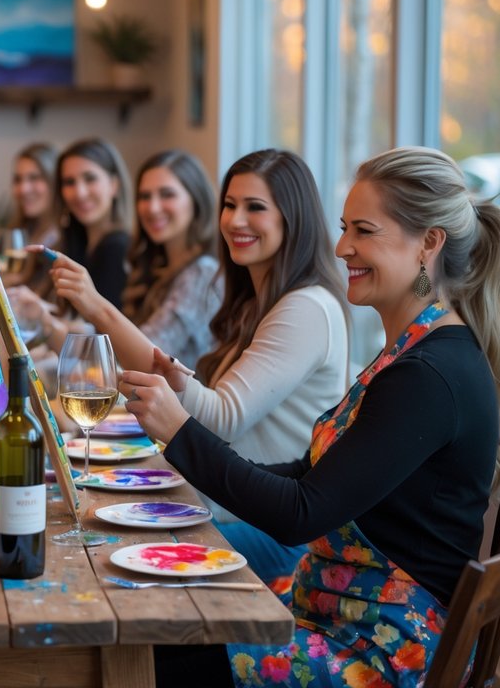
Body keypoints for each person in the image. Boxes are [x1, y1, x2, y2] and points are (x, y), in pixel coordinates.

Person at [126, 146, 500, 687]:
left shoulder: (428, 375)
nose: (341, 248)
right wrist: (183, 465)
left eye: (364, 231)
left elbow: (302, 513)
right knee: (156, 625)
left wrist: (180, 433)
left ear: (429, 243)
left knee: (148, 655)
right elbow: (309, 475)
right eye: (344, 228)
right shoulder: (411, 353)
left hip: (381, 650)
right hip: (335, 610)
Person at [49, 149, 349, 582]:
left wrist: (98, 308)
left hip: (268, 531)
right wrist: (178, 384)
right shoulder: (259, 301)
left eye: (255, 207)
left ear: (293, 218)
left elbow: (222, 419)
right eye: (231, 204)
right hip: (226, 507)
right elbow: (207, 403)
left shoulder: (306, 307)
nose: (236, 220)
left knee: (102, 552)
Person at [16, 149, 221, 367]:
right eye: (145, 197)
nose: (153, 208)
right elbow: (118, 347)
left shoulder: (202, 273)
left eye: (167, 194)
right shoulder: (156, 266)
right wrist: (47, 321)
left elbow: (150, 358)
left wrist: (86, 305)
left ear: (196, 200)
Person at [53, 137, 134, 310]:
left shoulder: (117, 248)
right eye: (69, 182)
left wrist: (45, 319)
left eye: (90, 179)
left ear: (114, 185)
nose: (80, 193)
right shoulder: (76, 242)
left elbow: (98, 325)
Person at [0, 143, 60, 292]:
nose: (23, 189)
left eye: (34, 178)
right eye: (18, 179)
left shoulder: (68, 239)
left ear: (55, 181)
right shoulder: (16, 232)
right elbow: (2, 272)